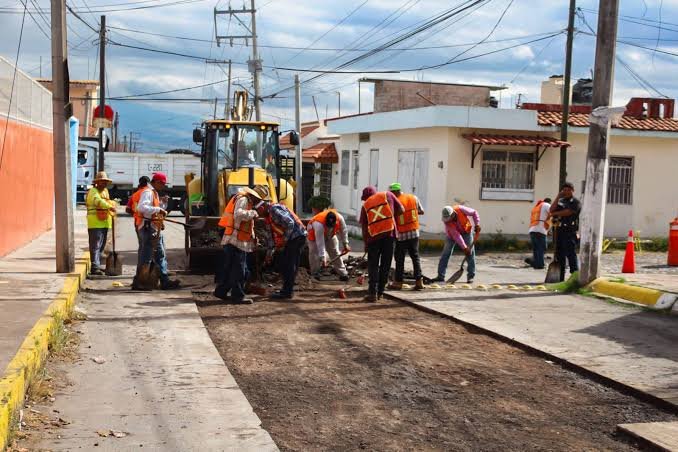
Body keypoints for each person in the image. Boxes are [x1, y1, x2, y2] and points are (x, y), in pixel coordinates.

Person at [213, 186, 263, 304]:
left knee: (233, 269)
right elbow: (238, 215)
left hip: (235, 240)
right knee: (239, 271)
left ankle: (221, 292)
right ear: (254, 197)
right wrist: (253, 213)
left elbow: (245, 224)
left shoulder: (245, 201)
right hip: (235, 241)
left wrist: (253, 238)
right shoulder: (243, 200)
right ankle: (238, 296)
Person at [133, 172, 180, 290]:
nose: (163, 186)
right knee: (149, 256)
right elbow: (141, 207)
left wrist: (162, 205)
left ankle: (160, 281)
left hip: (152, 227)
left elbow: (153, 209)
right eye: (162, 184)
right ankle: (143, 282)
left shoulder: (154, 193)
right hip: (148, 228)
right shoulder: (148, 192)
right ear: (157, 182)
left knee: (157, 255)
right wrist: (159, 209)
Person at [359, 186, 404, 302]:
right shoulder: (388, 195)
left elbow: (364, 227)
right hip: (390, 235)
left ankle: (372, 293)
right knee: (386, 265)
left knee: (373, 265)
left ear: (366, 197)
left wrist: (366, 244)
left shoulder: (365, 205)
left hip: (373, 238)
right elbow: (401, 209)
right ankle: (380, 292)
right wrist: (391, 217)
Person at [256, 200, 308, 299]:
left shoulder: (274, 209)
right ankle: (287, 290)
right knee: (288, 264)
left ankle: (287, 292)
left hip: (296, 237)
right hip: (294, 238)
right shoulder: (268, 217)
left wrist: (284, 240)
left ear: (262, 208)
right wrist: (268, 255)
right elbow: (271, 239)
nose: (258, 215)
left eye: (258, 212)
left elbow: (290, 223)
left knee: (288, 265)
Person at [388, 182, 425, 290]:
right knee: (415, 257)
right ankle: (419, 282)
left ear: (395, 191)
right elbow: (421, 211)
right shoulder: (413, 198)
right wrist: (411, 214)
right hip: (414, 232)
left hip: (402, 234)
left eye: (391, 192)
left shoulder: (395, 202)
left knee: (399, 259)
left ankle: (398, 283)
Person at [434, 204, 481, 284]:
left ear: (453, 214)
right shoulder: (447, 222)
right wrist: (464, 248)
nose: (448, 220)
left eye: (449, 218)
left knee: (470, 253)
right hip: (451, 236)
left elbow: (474, 212)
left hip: (466, 232)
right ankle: (440, 276)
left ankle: (471, 276)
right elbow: (456, 235)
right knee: (446, 254)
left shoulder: (460, 209)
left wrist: (477, 224)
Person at [307, 208, 351, 281]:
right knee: (314, 254)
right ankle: (315, 273)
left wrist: (345, 243)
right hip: (314, 235)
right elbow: (320, 243)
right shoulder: (318, 224)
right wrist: (323, 258)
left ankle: (343, 273)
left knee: (335, 252)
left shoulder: (340, 218)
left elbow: (343, 230)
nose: (329, 227)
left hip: (330, 235)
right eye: (328, 226)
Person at [549, 182, 581, 281]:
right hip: (559, 231)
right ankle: (560, 277)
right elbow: (551, 209)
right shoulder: (561, 201)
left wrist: (555, 213)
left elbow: (568, 212)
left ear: (573, 190)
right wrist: (558, 196)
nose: (566, 192)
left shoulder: (575, 201)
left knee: (571, 254)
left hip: (570, 231)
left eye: (568, 190)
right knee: (559, 255)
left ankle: (574, 276)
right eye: (564, 190)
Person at [86, 171, 116, 275]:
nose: (104, 183)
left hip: (105, 222)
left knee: (101, 246)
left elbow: (108, 201)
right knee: (95, 245)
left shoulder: (105, 191)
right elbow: (97, 201)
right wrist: (110, 206)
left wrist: (113, 204)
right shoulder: (93, 191)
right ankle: (95, 267)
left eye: (105, 182)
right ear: (97, 182)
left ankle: (97, 265)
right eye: (102, 181)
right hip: (95, 223)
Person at [526, 197, 552, 270]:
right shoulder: (546, 205)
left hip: (532, 229)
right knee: (542, 247)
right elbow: (553, 212)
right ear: (549, 202)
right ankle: (540, 264)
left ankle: (536, 263)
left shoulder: (537, 207)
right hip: (540, 229)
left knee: (536, 248)